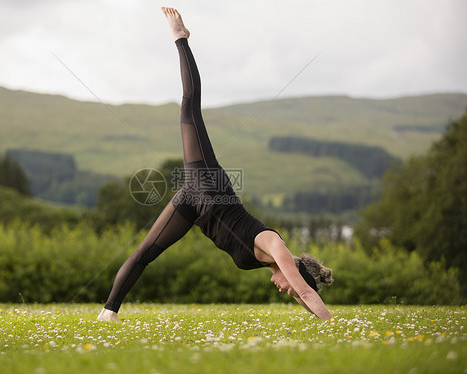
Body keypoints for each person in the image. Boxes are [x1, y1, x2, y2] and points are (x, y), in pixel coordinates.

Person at [97, 7, 334, 322]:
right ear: (295, 273)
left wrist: (313, 310)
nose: (283, 291)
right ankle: (181, 39)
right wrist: (330, 322)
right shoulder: (276, 246)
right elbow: (305, 291)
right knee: (189, 107)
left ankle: (107, 315)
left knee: (147, 252)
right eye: (289, 288)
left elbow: (304, 294)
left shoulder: (269, 262)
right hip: (208, 185)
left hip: (196, 207)